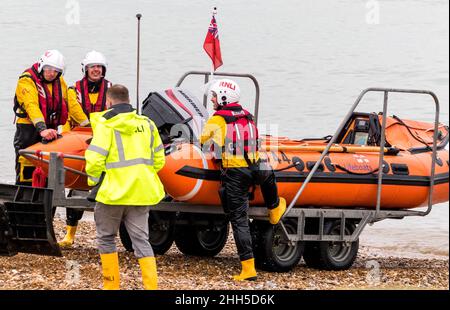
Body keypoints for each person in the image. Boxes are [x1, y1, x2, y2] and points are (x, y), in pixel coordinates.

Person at [200, 79, 286, 281]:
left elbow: (202, 139)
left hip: (236, 173)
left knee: (239, 221)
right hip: (257, 167)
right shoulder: (248, 116)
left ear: (223, 98)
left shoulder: (218, 119)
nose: (212, 99)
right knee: (268, 174)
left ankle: (248, 268)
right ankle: (274, 208)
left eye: (213, 96)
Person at [85, 84, 165, 290]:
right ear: (129, 101)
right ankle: (151, 287)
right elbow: (159, 160)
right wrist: (141, 175)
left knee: (106, 238)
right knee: (141, 240)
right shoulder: (147, 124)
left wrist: (93, 182)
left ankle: (111, 286)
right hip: (141, 192)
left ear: (109, 102)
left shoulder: (106, 125)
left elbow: (94, 159)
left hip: (113, 193)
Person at [59, 50, 112, 248]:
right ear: (86, 69)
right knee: (76, 190)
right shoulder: (73, 91)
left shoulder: (110, 90)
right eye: (93, 67)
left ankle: (106, 234)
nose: (96, 70)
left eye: (99, 67)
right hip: (79, 140)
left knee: (103, 190)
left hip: (103, 141)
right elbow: (69, 116)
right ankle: (70, 234)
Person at [13, 50, 89, 185]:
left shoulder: (59, 81)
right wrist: (42, 129)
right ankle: (24, 195)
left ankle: (48, 198)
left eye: (56, 71)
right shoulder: (26, 81)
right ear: (42, 66)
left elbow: (71, 104)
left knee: (50, 165)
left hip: (51, 128)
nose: (51, 73)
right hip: (29, 128)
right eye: (48, 69)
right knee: (27, 163)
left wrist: (87, 126)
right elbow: (31, 106)